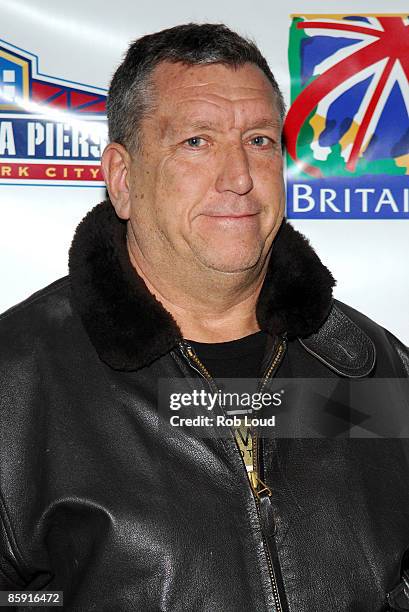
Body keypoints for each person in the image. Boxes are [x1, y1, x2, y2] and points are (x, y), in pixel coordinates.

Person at [0, 22, 408, 612]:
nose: (239, 178)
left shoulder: (373, 368)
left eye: (260, 141)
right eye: (197, 141)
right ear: (123, 178)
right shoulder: (18, 384)